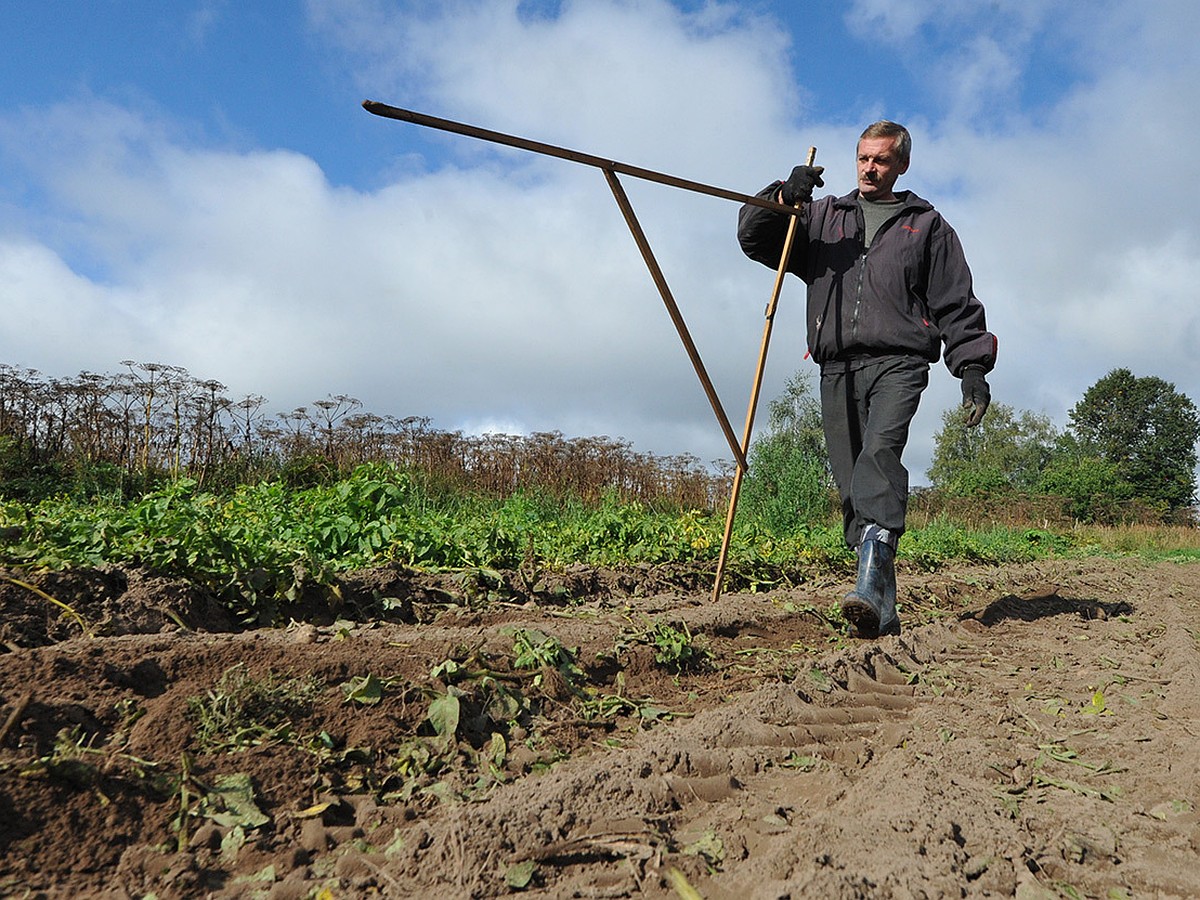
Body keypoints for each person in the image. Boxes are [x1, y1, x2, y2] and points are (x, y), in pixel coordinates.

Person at [737, 121, 996, 638]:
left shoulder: (926, 226)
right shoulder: (823, 218)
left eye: (880, 160)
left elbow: (955, 303)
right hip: (836, 364)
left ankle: (870, 582)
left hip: (900, 363)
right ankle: (880, 596)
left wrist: (971, 369)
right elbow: (754, 236)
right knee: (851, 480)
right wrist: (785, 195)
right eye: (862, 158)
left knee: (880, 454)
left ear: (901, 164)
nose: (869, 168)